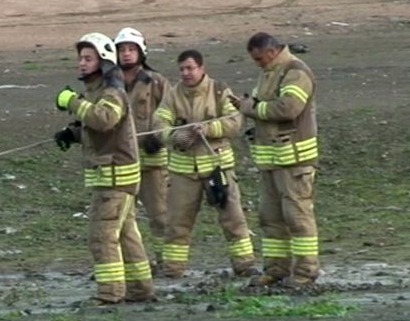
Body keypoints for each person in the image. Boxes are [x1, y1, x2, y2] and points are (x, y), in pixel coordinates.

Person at [53, 33, 152, 304]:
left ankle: (109, 294)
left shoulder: (111, 92)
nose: (82, 64)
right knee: (127, 235)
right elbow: (99, 129)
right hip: (113, 176)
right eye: (80, 58)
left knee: (102, 236)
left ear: (103, 61)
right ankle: (140, 289)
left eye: (88, 58)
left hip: (115, 178)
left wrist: (72, 102)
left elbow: (105, 119)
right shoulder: (97, 91)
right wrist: (72, 134)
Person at [155, 50, 258, 278]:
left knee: (233, 218)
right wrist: (174, 136)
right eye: (182, 69)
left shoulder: (220, 90)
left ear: (202, 68)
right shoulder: (172, 95)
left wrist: (208, 129)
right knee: (176, 223)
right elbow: (159, 123)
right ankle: (172, 269)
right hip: (183, 172)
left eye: (190, 68)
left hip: (217, 168)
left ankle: (244, 265)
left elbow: (234, 122)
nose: (186, 73)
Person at [231, 32, 319, 287]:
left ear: (271, 51)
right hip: (271, 161)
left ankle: (305, 272)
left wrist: (251, 108)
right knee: (270, 217)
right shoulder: (270, 72)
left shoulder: (295, 71)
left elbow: (288, 108)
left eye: (259, 58)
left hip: (295, 162)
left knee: (298, 218)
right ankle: (276, 269)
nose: (257, 63)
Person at [114, 27, 169, 266]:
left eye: (131, 49)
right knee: (123, 218)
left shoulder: (156, 81)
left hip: (151, 162)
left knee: (160, 216)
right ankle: (131, 263)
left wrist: (159, 136)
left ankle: (164, 260)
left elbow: (170, 111)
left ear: (141, 52)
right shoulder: (109, 84)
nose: (126, 54)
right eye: (122, 50)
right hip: (121, 162)